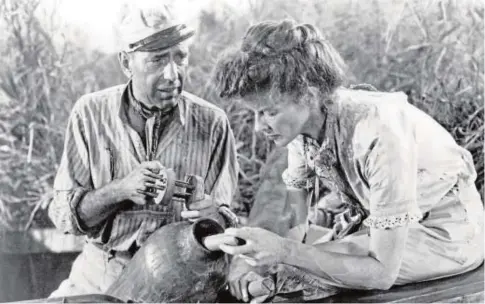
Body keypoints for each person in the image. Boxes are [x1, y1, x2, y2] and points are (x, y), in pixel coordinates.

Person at [213, 19, 484, 302]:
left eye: (268, 112)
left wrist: (282, 253)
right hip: (382, 230)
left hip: (446, 234)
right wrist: (269, 259)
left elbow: (381, 273)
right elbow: (297, 226)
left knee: (308, 275)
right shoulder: (302, 128)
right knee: (285, 270)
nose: (259, 127)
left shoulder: (377, 133)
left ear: (308, 95)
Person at [47, 2, 238, 297]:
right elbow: (64, 218)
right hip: (101, 277)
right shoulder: (90, 114)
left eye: (180, 57)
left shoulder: (213, 123)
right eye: (157, 60)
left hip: (180, 282)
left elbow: (226, 220)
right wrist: (120, 190)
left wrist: (213, 216)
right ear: (126, 63)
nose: (172, 74)